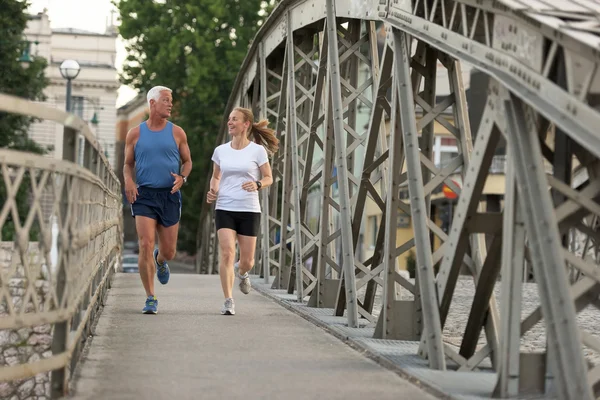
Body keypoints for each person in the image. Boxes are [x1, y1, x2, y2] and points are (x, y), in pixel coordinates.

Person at [123, 85, 192, 314]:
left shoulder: (178, 132)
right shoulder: (135, 133)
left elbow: (188, 162)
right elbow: (127, 164)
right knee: (145, 244)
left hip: (170, 195)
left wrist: (183, 177)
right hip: (144, 195)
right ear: (152, 103)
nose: (170, 104)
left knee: (169, 251)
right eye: (166, 100)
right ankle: (150, 297)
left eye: (170, 100)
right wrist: (129, 182)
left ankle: (160, 260)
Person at [206, 107, 279, 315]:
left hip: (249, 209)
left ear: (246, 124)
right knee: (228, 253)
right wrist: (213, 191)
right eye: (229, 119)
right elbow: (216, 176)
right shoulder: (221, 151)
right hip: (225, 207)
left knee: (247, 260)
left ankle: (243, 272)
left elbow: (269, 178)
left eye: (234, 119)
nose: (230, 122)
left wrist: (257, 184)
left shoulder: (257, 151)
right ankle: (228, 300)